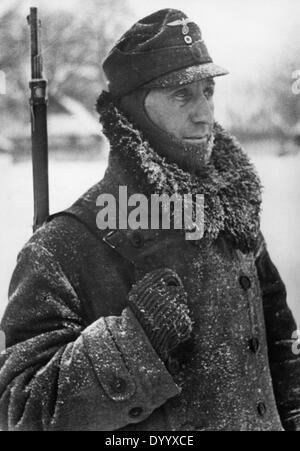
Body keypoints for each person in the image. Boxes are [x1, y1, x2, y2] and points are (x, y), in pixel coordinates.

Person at [0, 8, 299, 431]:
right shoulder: (64, 245)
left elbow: (281, 349)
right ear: (133, 112)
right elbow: (21, 409)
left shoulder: (230, 214)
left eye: (208, 91)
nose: (205, 114)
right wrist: (132, 344)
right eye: (182, 95)